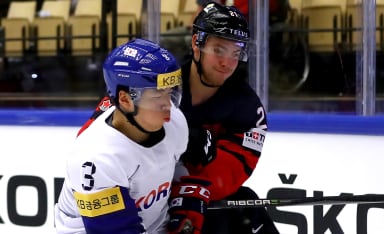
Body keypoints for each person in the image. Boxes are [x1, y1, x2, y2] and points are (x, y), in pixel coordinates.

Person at [77, 2, 280, 233]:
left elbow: (226, 177)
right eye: (218, 50)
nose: (228, 63)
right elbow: (94, 139)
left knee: (242, 207)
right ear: (196, 43)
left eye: (236, 53)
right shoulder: (152, 82)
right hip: (136, 193)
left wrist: (188, 188)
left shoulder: (248, 109)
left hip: (184, 198)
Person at [54, 38, 188, 233]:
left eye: (170, 93)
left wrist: (188, 194)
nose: (168, 104)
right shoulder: (95, 157)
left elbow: (172, 167)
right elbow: (116, 229)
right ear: (125, 100)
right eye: (158, 96)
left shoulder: (175, 121)